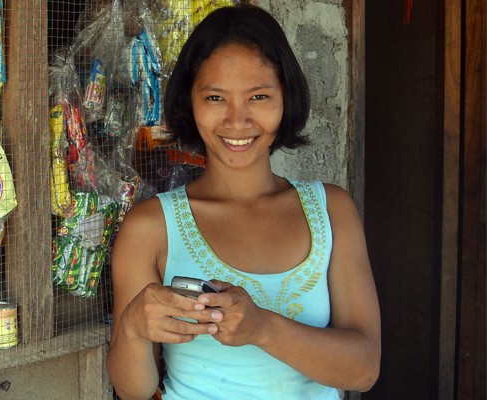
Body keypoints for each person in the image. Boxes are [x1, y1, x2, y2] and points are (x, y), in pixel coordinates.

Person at [106, 4, 381, 399]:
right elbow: (134, 390)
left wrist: (262, 328)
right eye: (216, 97)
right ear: (190, 102)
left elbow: (364, 369)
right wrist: (132, 327)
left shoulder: (330, 211)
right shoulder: (151, 228)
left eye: (259, 96)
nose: (237, 121)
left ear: (286, 98)